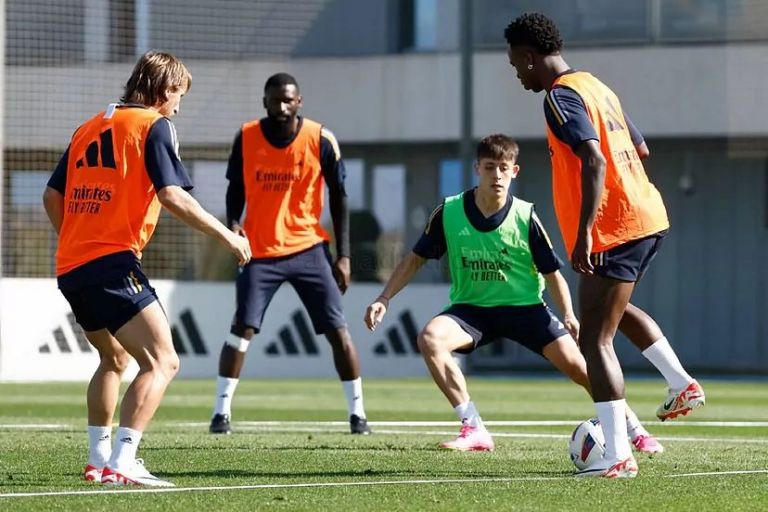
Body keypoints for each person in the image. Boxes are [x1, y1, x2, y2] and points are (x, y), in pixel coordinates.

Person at [364, 134, 661, 456]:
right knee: (430, 339)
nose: (497, 175)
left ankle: (634, 428)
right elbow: (415, 258)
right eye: (490, 167)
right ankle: (473, 427)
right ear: (477, 168)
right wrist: (384, 298)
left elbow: (552, 274)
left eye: (504, 168)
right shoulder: (449, 212)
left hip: (526, 310)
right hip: (471, 311)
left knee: (581, 367)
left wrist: (569, 315)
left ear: (515, 171)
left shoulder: (525, 216)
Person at [504, 13, 705, 477]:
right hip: (647, 216)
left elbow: (593, 158)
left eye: (516, 63)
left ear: (531, 58)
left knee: (595, 338)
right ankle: (680, 383)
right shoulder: (596, 86)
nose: (516, 72)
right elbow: (641, 148)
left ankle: (616, 455)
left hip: (614, 228)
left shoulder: (559, 96)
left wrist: (585, 232)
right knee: (612, 311)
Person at [42, 51, 251, 487]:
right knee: (163, 361)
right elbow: (172, 195)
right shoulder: (154, 125)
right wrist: (228, 237)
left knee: (113, 358)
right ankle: (123, 460)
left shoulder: (89, 127)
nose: (179, 105)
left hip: (71, 265)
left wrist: (79, 237)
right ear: (162, 91)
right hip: (112, 263)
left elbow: (51, 197)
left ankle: (98, 459)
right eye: (178, 94)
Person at [208, 72, 371, 435]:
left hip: (309, 249)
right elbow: (235, 190)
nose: (282, 106)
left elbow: (340, 197)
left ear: (299, 102)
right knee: (242, 329)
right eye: (275, 100)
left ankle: (358, 415)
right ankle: (221, 414)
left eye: (288, 100)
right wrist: (234, 224)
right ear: (264, 101)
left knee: (338, 331)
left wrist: (343, 256)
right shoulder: (247, 136)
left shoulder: (320, 138)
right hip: (259, 251)